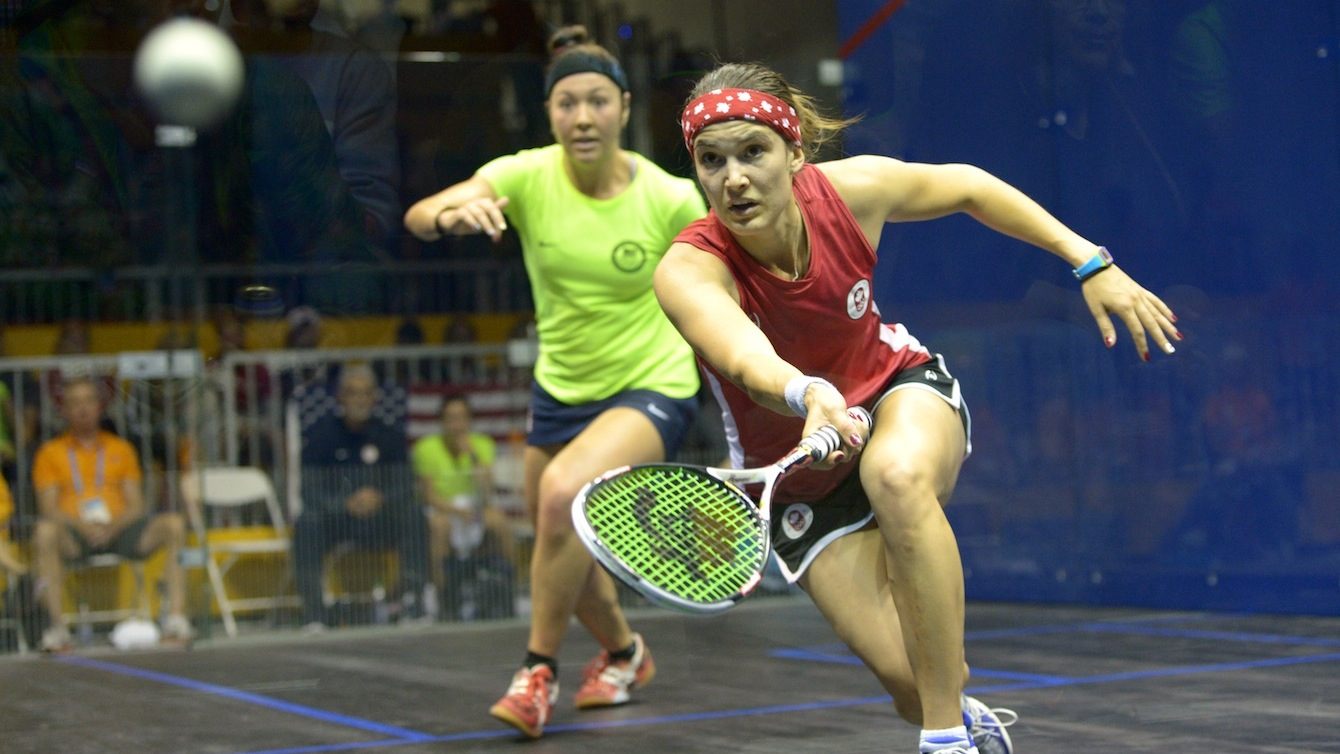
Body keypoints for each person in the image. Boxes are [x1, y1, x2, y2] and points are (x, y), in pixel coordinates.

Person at [655, 63, 1181, 754]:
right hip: (801, 479)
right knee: (921, 683)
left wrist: (1090, 262)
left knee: (896, 477)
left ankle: (945, 740)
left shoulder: (853, 193)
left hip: (896, 392)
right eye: (712, 160)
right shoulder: (689, 270)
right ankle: (949, 711)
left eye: (753, 152)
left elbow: (969, 186)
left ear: (794, 152)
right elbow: (746, 361)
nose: (734, 179)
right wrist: (807, 393)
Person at [403, 25, 707, 739]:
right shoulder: (525, 175)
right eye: (567, 103)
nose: (582, 117)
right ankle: (625, 655)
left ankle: (536, 673)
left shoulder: (670, 198)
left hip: (652, 383)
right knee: (559, 541)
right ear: (549, 113)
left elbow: (730, 279)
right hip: (561, 390)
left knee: (562, 497)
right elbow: (418, 218)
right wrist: (452, 213)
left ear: (623, 108)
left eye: (597, 101)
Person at [30, 378, 193, 652]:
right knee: (44, 532)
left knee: (174, 525)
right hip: (74, 534)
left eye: (88, 401)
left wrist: (112, 527)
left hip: (119, 530)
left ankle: (176, 619)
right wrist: (82, 525)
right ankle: (57, 629)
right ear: (64, 410)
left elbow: (136, 505)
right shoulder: (50, 453)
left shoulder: (121, 448)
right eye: (75, 403)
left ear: (99, 406)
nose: (83, 409)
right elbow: (48, 507)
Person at [292, 364, 427, 630]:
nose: (360, 400)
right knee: (306, 523)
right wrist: (344, 503)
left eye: (366, 393)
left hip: (380, 520)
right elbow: (308, 490)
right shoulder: (321, 435)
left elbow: (405, 486)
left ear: (375, 397)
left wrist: (380, 498)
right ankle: (314, 613)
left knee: (414, 515)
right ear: (340, 397)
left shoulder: (389, 435)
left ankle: (412, 603)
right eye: (353, 393)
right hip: (336, 521)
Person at [411, 394, 515, 619]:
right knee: (440, 527)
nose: (456, 425)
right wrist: (457, 512)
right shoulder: (426, 448)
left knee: (499, 521)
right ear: (442, 422)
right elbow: (428, 495)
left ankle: (508, 589)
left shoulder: (483, 445)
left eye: (461, 418)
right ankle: (444, 595)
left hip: (475, 506)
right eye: (450, 419)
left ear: (469, 421)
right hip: (444, 507)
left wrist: (474, 458)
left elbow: (487, 493)